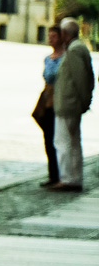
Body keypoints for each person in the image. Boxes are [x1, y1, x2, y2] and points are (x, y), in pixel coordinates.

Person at [49, 17, 93, 192]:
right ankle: (73, 178)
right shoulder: (76, 48)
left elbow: (80, 79)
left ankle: (68, 178)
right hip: (71, 103)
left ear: (66, 33)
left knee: (64, 142)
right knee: (72, 142)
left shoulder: (74, 50)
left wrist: (83, 102)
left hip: (69, 104)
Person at [33, 24, 64, 187]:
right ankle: (52, 174)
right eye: (49, 35)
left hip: (58, 99)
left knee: (56, 137)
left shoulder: (64, 58)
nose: (50, 39)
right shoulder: (47, 58)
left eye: (54, 36)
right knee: (47, 138)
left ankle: (60, 174)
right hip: (46, 99)